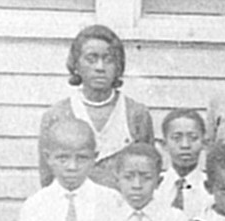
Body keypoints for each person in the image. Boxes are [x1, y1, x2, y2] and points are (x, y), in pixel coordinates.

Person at [38, 24, 153, 187]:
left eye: (108, 60)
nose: (100, 67)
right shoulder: (57, 115)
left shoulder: (136, 114)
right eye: (91, 59)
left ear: (119, 67)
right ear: (76, 64)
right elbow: (47, 179)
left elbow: (147, 171)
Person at [158, 108, 212, 219]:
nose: (185, 145)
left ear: (204, 143)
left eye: (193, 138)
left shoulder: (211, 189)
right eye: (176, 138)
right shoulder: (156, 187)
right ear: (164, 144)